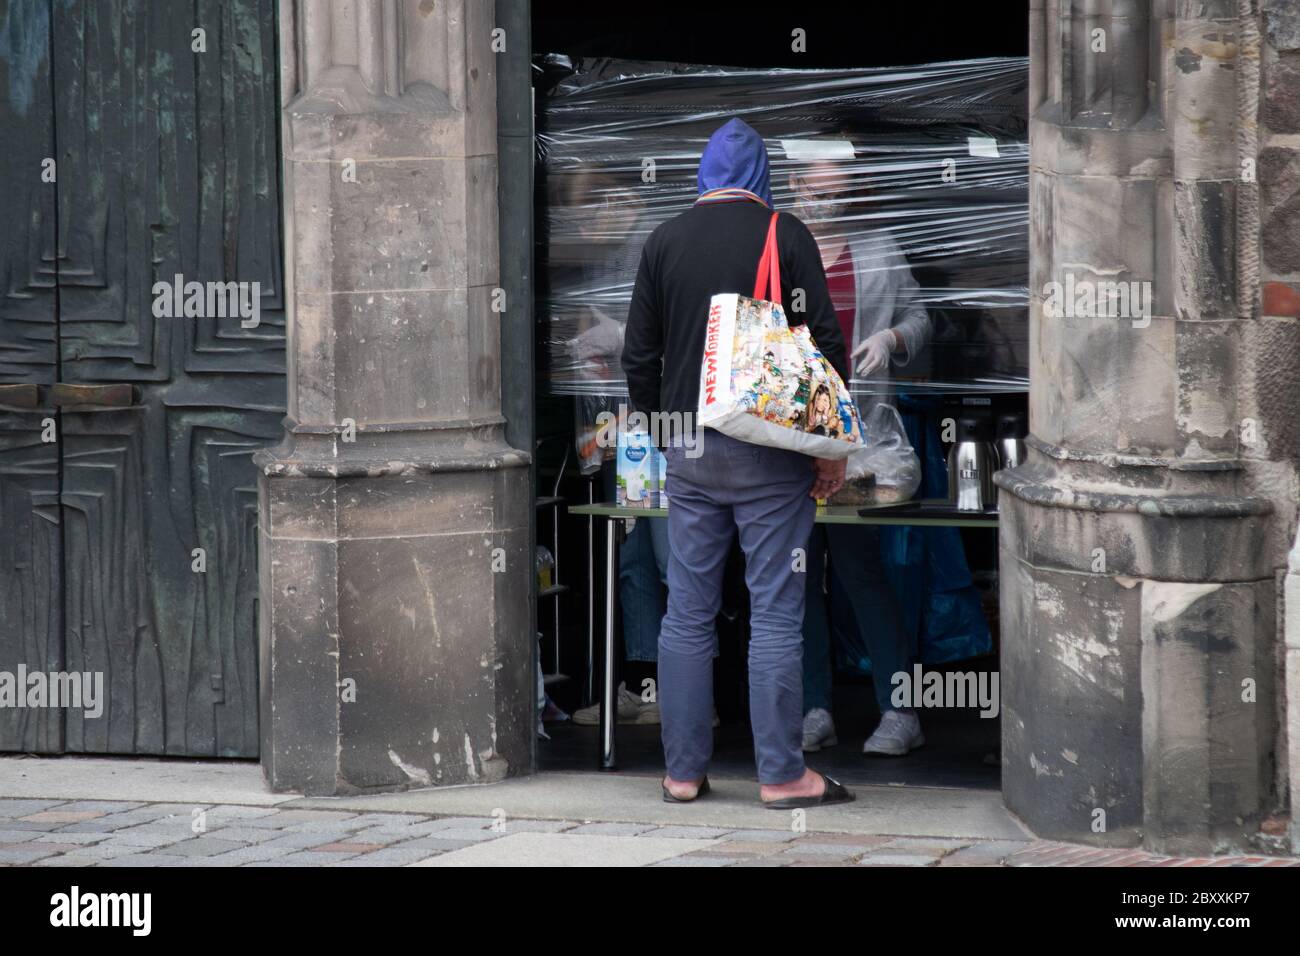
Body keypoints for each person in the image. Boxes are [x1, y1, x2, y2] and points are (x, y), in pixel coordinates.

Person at [622, 117, 854, 807]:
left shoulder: (663, 241)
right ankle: (783, 775)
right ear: (761, 177)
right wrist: (830, 449)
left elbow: (640, 355)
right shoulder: (785, 235)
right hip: (770, 456)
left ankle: (682, 774)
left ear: (703, 174)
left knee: (687, 611)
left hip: (690, 454)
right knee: (776, 613)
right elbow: (827, 350)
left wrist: (667, 433)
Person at [789, 156, 932, 756]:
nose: (827, 204)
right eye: (817, 192)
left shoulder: (876, 248)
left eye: (837, 194)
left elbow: (922, 317)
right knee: (796, 580)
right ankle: (813, 708)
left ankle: (901, 710)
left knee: (860, 573)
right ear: (795, 185)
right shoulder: (775, 248)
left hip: (860, 443)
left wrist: (891, 338)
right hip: (790, 442)